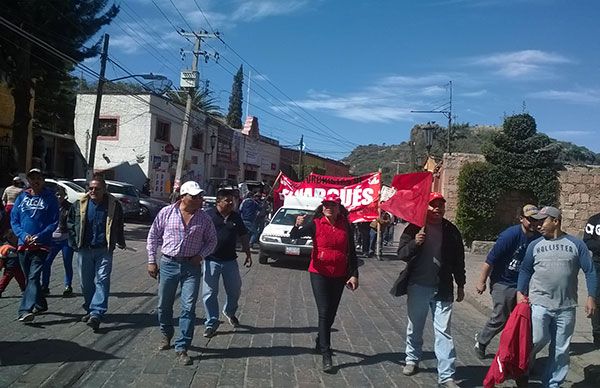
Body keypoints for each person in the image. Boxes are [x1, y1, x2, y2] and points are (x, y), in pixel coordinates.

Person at [517, 206, 597, 388]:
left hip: (566, 307)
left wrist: (591, 296)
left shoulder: (576, 245)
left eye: (542, 221)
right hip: (539, 304)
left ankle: (552, 384)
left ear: (555, 221)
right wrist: (520, 293)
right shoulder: (534, 245)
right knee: (537, 339)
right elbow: (525, 270)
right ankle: (523, 368)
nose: (538, 225)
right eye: (536, 221)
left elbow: (590, 271)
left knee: (561, 349)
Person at [396, 192, 465, 388]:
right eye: (433, 205)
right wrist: (415, 243)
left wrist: (460, 284)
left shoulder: (451, 231)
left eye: (440, 205)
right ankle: (412, 359)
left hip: (442, 288)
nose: (437, 209)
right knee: (414, 326)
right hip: (418, 286)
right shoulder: (414, 228)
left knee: (444, 332)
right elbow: (402, 254)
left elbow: (459, 260)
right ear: (425, 207)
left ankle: (447, 375)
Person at [146, 180, 217, 366]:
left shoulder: (204, 218)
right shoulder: (167, 212)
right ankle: (166, 334)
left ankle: (182, 346)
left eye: (200, 196)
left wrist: (200, 256)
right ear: (183, 197)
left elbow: (212, 241)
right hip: (168, 264)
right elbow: (153, 235)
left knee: (188, 307)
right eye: (195, 196)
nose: (199, 199)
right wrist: (151, 260)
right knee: (163, 305)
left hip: (191, 268)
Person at [290, 193, 359, 373]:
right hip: (319, 273)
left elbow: (351, 252)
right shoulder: (315, 224)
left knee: (332, 313)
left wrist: (354, 274)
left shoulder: (346, 226)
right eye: (326, 204)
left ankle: (320, 340)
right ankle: (326, 353)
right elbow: (295, 236)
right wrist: (296, 225)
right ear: (322, 207)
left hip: (340, 274)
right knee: (324, 311)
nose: (328, 207)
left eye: (332, 205)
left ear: (338, 208)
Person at [473, 204, 542, 359]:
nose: (534, 223)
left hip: (524, 285)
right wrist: (481, 281)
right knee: (501, 317)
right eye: (530, 219)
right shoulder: (510, 236)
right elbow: (490, 260)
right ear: (521, 219)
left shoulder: (538, 238)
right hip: (503, 282)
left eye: (536, 220)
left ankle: (521, 356)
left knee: (524, 320)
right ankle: (482, 341)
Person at [67, 173, 126, 332]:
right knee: (85, 283)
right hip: (84, 249)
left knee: (102, 280)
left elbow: (119, 224)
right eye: (90, 188)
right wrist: (73, 242)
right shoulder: (80, 203)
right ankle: (90, 307)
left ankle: (96, 313)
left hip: (104, 250)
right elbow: (70, 222)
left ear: (104, 189)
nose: (93, 191)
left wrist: (120, 240)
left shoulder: (114, 204)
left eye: (97, 189)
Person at [10, 168, 59, 322]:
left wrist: (39, 236)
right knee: (29, 278)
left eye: (38, 178)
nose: (35, 181)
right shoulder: (21, 197)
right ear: (28, 181)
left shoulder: (50, 198)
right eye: (32, 178)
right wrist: (23, 236)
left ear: (43, 180)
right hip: (23, 244)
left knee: (33, 276)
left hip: (41, 245)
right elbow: (14, 220)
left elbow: (53, 222)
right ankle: (40, 303)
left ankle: (25, 310)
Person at [202, 189, 252, 338]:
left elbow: (243, 235)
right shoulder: (208, 215)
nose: (231, 203)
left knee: (235, 290)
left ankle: (229, 311)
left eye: (233, 201)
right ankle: (211, 322)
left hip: (230, 260)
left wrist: (248, 253)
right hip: (211, 260)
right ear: (218, 201)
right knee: (209, 293)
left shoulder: (236, 217)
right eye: (227, 200)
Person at [41, 186, 74, 297]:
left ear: (65, 195)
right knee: (46, 262)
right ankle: (45, 286)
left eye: (60, 194)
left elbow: (73, 222)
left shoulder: (70, 207)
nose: (58, 197)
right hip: (52, 240)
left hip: (65, 239)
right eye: (56, 194)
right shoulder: (49, 206)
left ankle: (68, 286)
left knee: (67, 262)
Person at [583, 211, 600, 348]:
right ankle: (597, 335)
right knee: (597, 299)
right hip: (598, 264)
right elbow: (587, 241)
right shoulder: (594, 220)